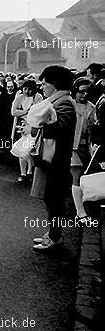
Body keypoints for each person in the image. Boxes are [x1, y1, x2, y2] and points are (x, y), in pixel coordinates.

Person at [31, 66, 76, 250]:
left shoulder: (63, 102)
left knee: (54, 199)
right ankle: (52, 233)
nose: (42, 87)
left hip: (57, 160)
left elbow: (61, 129)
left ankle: (55, 237)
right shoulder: (59, 101)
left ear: (54, 85)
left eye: (44, 84)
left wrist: (38, 127)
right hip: (53, 158)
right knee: (50, 198)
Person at [70, 77, 97, 224]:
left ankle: (78, 208)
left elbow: (92, 129)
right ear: (75, 91)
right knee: (76, 174)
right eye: (82, 92)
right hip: (70, 146)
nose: (84, 95)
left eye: (87, 92)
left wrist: (92, 146)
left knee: (81, 177)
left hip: (84, 147)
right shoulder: (70, 104)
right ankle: (80, 214)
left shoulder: (91, 108)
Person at [12, 80, 43, 182]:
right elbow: (13, 112)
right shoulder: (20, 97)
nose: (27, 91)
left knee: (27, 150)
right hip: (22, 127)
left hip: (34, 127)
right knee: (21, 150)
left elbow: (37, 112)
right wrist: (25, 111)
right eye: (25, 88)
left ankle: (30, 170)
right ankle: (23, 173)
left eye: (29, 89)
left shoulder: (38, 97)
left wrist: (23, 113)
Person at [0, 80, 17, 149]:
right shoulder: (2, 96)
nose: (10, 88)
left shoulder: (16, 96)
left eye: (11, 87)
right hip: (3, 119)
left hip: (12, 118)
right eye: (8, 87)